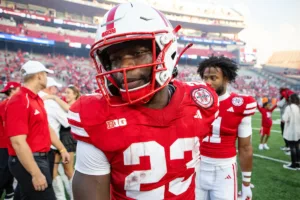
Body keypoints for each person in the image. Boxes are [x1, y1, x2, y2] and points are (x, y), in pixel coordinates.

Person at [68, 2, 219, 200]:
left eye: (137, 53)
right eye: (115, 59)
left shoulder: (199, 101)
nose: (125, 67)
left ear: (166, 50)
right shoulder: (97, 114)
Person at [4, 60, 70, 200]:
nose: (47, 78)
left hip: (38, 158)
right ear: (39, 76)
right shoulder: (20, 100)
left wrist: (62, 149)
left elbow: (46, 127)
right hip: (31, 160)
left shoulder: (35, 99)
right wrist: (35, 173)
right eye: (45, 75)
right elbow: (17, 142)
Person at [196, 56, 256, 200]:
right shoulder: (194, 101)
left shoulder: (240, 104)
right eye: (205, 78)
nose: (208, 82)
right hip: (197, 166)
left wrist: (246, 184)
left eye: (213, 78)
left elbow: (245, 148)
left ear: (226, 79)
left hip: (224, 168)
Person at [39, 77, 69, 200]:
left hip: (37, 145)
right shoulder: (51, 103)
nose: (57, 90)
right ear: (49, 88)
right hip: (51, 145)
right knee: (50, 177)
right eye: (55, 87)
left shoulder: (36, 99)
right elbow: (67, 122)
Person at [0, 81, 21, 200]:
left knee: (9, 172)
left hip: (8, 142)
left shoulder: (7, 103)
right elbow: (7, 124)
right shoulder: (7, 104)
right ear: (13, 91)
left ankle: (9, 193)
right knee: (4, 171)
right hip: (5, 143)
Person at [282, 93, 300, 170]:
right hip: (298, 130)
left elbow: (285, 119)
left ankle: (293, 165)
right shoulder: (298, 107)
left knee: (292, 147)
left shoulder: (289, 107)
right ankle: (298, 164)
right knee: (297, 147)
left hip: (291, 129)